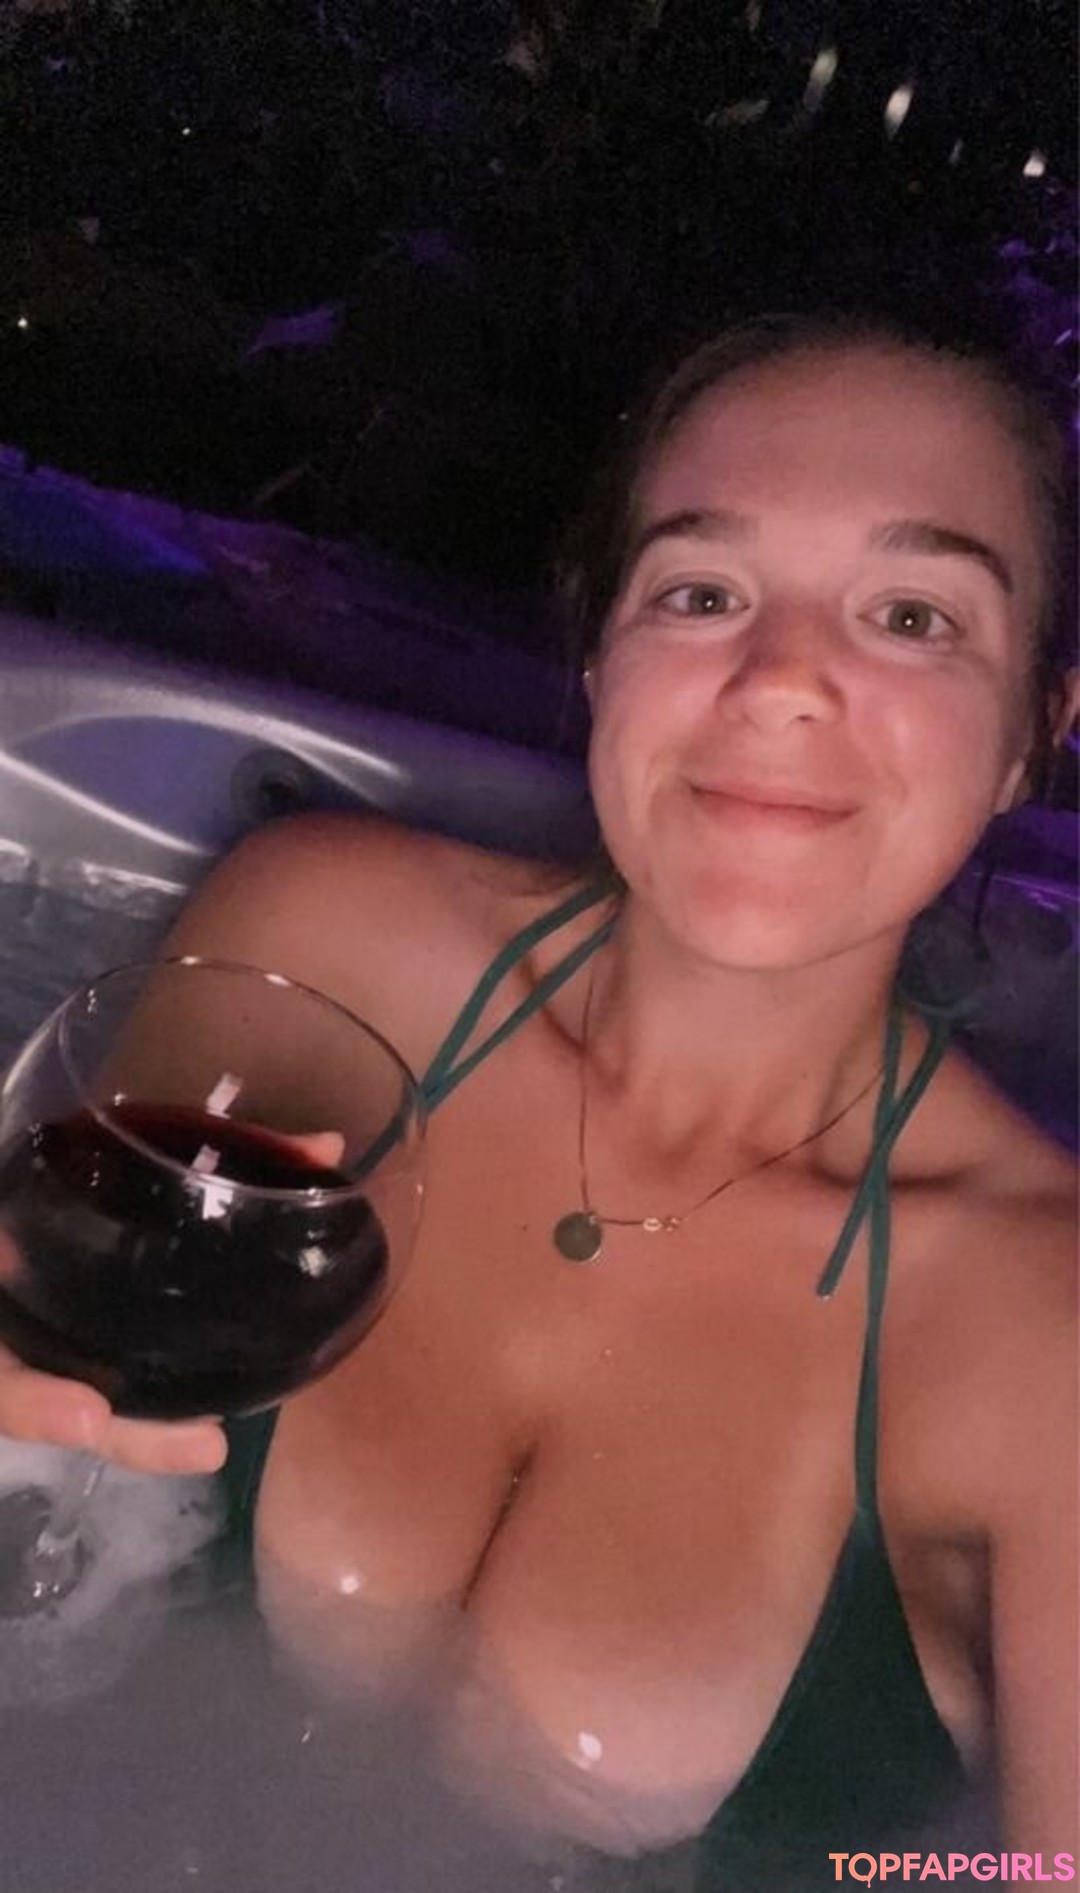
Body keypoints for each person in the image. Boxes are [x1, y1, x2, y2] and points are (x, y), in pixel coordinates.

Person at [1, 311, 1076, 1886]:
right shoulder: (322, 941)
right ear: (600, 654)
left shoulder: (1044, 1325)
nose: (783, 679)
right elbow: (55, 1469)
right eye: (701, 592)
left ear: (1034, 735)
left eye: (914, 616)